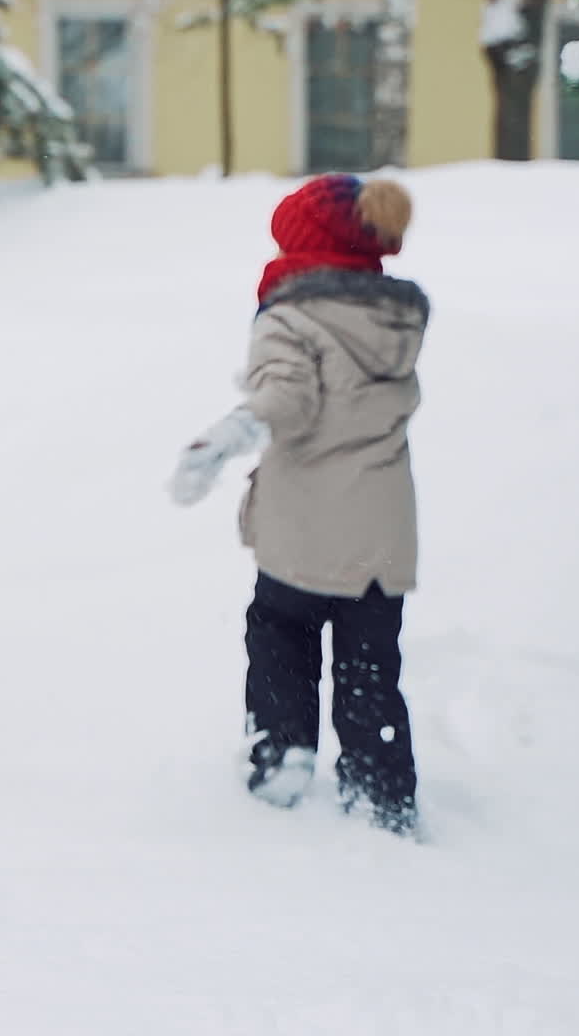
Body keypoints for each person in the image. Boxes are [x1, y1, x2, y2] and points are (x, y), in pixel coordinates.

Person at [169, 173, 427, 836]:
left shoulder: (292, 313)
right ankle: (381, 791)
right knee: (370, 664)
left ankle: (281, 755)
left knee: (282, 634)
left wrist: (229, 433)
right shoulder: (394, 317)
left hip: (306, 526)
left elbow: (290, 399)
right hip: (383, 530)